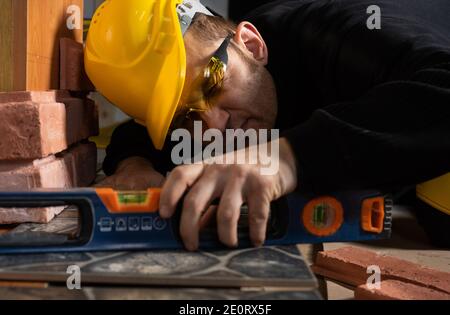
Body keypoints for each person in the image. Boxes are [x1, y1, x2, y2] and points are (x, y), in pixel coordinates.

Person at [85, 0, 450, 250]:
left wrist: (289, 158)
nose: (213, 128)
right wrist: (136, 165)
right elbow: (136, 137)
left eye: (210, 84)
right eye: (187, 117)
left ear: (251, 44)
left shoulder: (340, 35)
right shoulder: (212, 111)